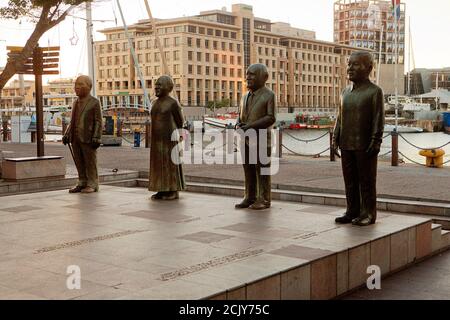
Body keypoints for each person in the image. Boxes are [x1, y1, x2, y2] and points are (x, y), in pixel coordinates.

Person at [333, 51, 385, 227]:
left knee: (367, 181)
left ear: (369, 68)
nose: (350, 68)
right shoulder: (344, 92)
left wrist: (376, 140)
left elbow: (378, 119)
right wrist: (335, 139)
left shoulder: (374, 91)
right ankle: (352, 210)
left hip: (365, 145)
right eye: (349, 64)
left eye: (355, 64)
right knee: (350, 181)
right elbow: (340, 118)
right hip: (346, 143)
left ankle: (368, 212)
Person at [235, 64, 276, 210]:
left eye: (252, 74)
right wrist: (237, 124)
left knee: (262, 170)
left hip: (261, 139)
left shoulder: (269, 95)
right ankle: (249, 196)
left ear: (263, 77)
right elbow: (240, 115)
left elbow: (271, 118)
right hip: (245, 139)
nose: (248, 77)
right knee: (248, 169)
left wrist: (250, 126)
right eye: (247, 74)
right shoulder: (244, 96)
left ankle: (264, 198)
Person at [63, 75, 102, 194]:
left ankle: (93, 183)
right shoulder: (75, 103)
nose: (77, 87)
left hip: (88, 137)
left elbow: (99, 121)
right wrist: (67, 133)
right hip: (75, 138)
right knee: (79, 161)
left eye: (80, 84)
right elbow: (72, 120)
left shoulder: (94, 102)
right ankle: (82, 181)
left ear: (89, 87)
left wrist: (96, 137)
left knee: (90, 162)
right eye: (76, 85)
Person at [149, 75, 186, 200]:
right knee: (159, 164)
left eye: (159, 85)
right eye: (156, 84)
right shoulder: (154, 103)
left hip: (170, 138)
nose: (156, 87)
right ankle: (161, 188)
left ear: (168, 87)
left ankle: (173, 190)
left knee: (170, 165)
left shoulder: (173, 103)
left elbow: (180, 121)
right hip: (157, 140)